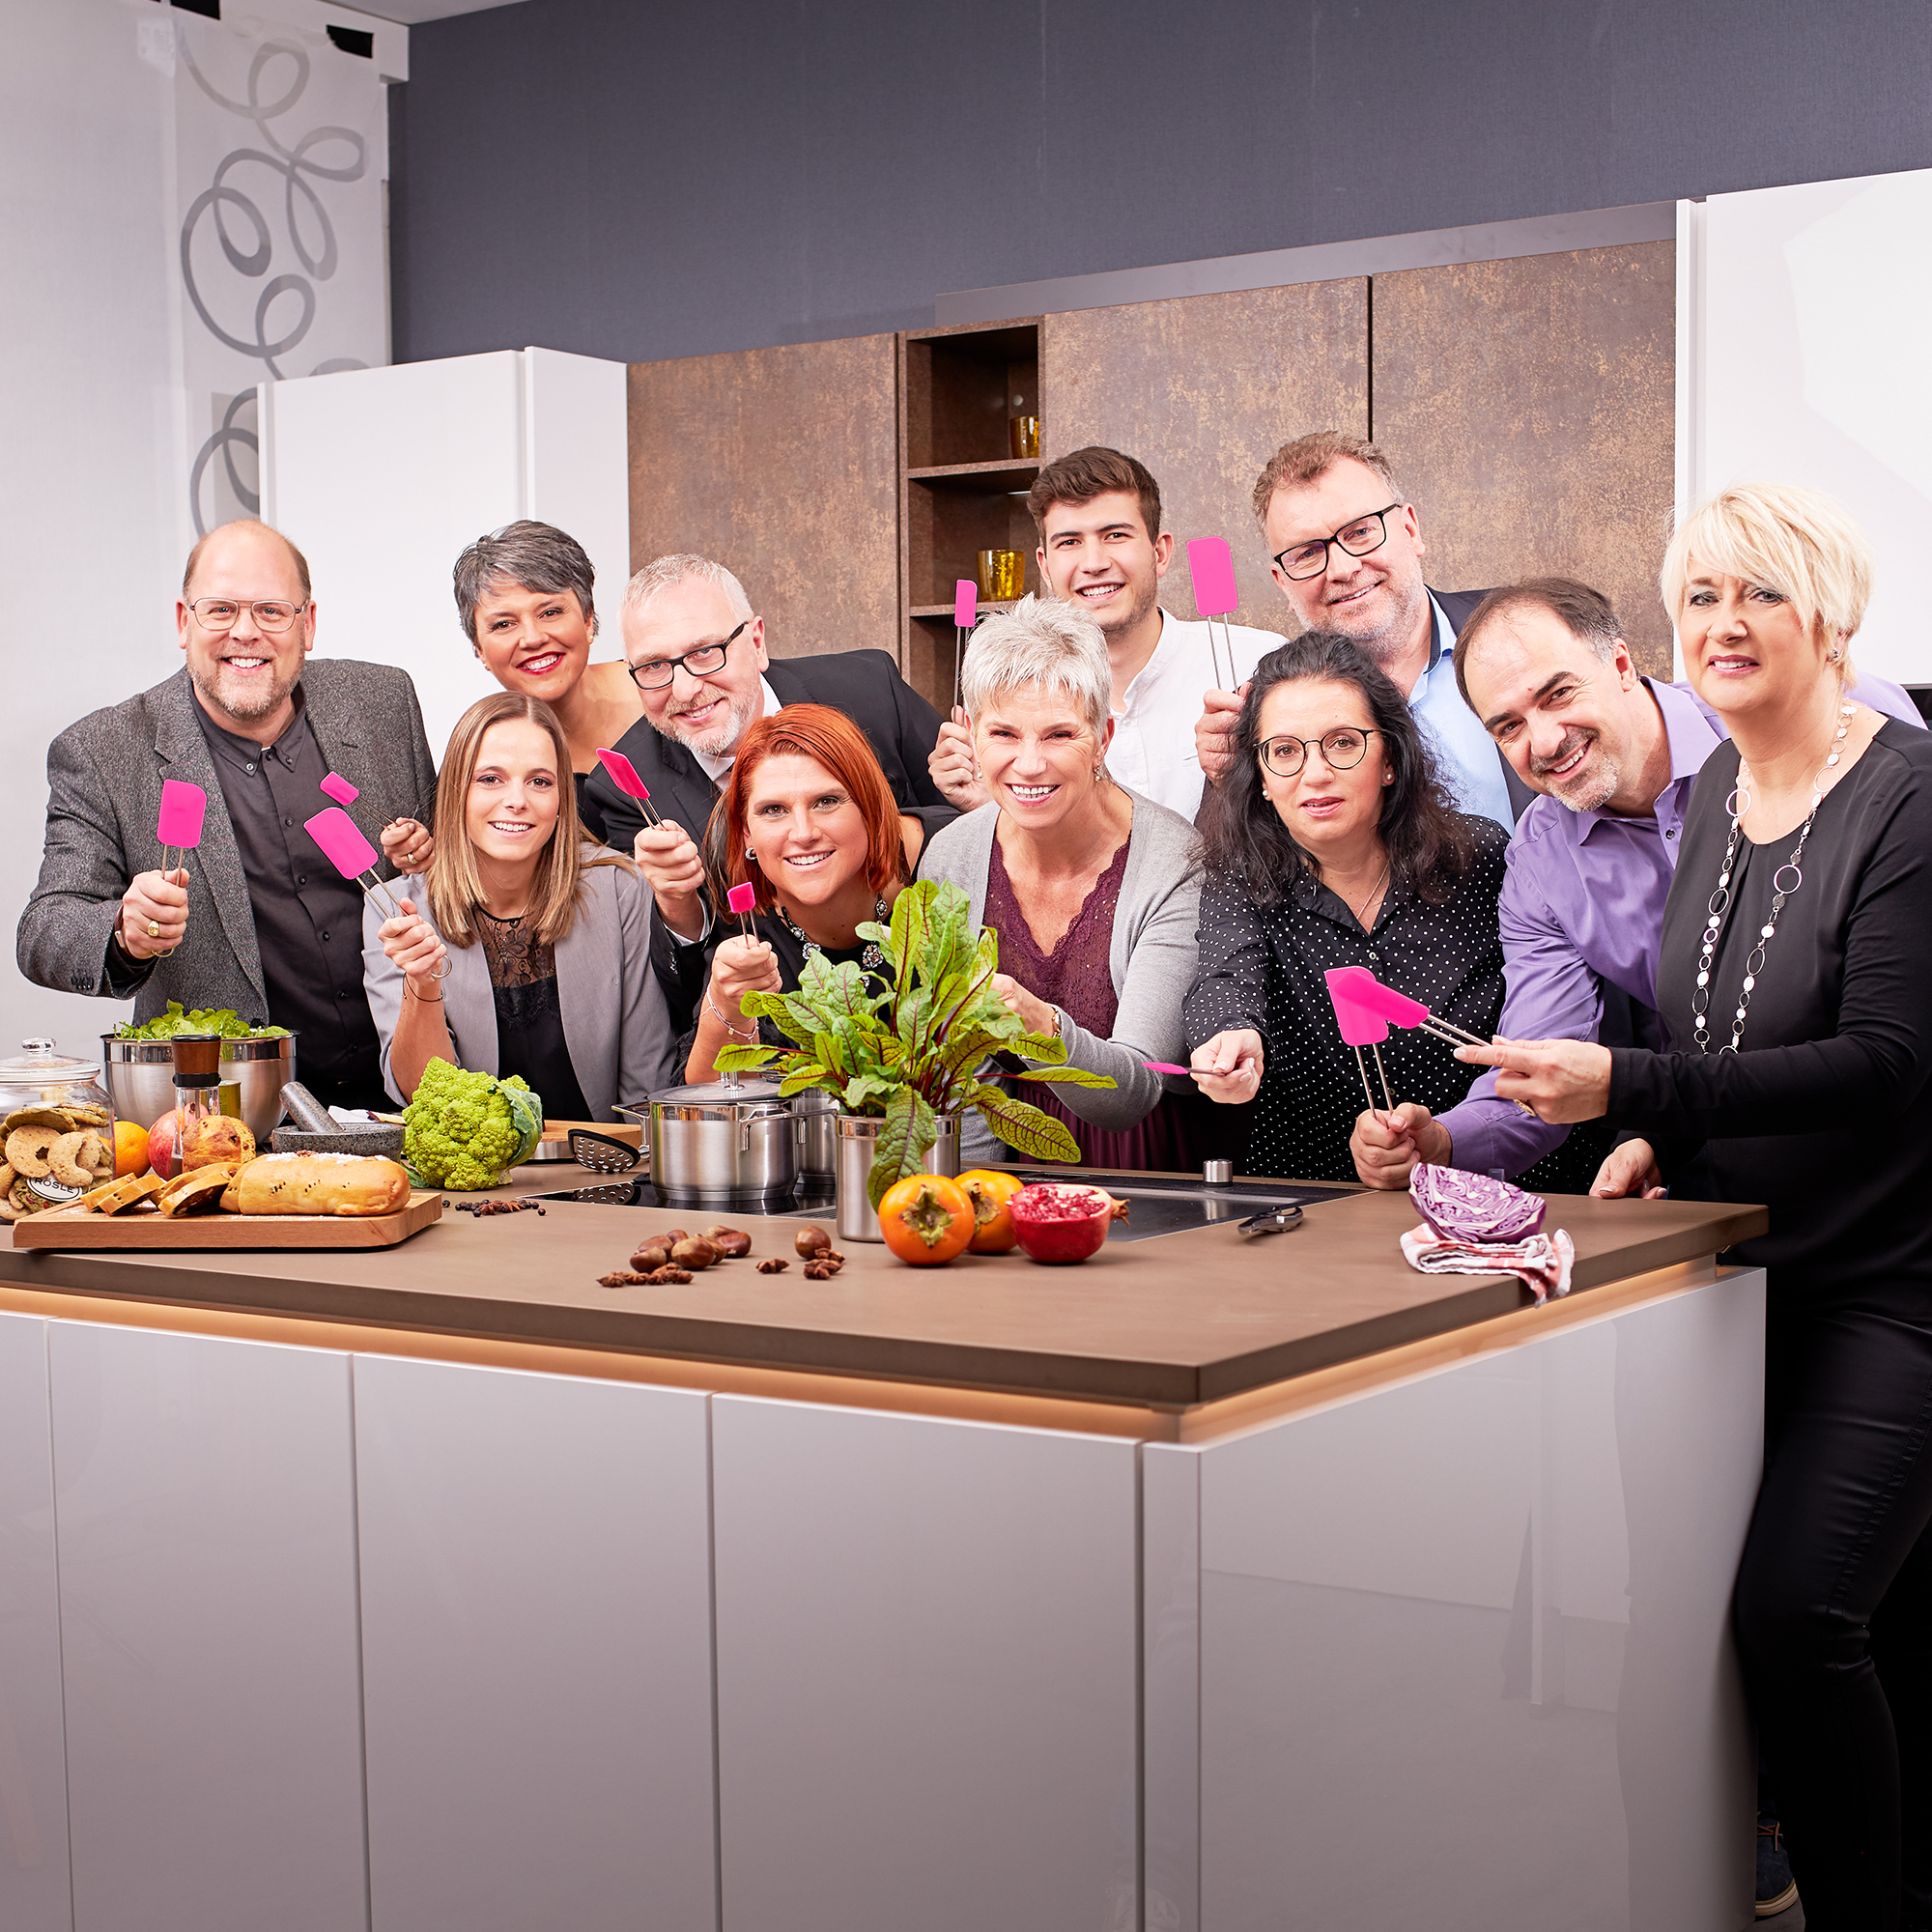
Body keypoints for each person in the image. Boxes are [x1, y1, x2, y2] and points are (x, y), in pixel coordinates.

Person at [1460, 484, 1932, 1931]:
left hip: (1889, 1284)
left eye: (1758, 592)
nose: (1723, 624)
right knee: (1687, 1617)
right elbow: (1716, 1032)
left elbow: (1886, 1060)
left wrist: (1637, 1092)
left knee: (1796, 1609)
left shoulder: (1909, 794)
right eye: (1701, 598)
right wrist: (1658, 1136)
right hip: (1736, 1272)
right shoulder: (1719, 787)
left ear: (1830, 616)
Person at [1351, 577, 1926, 1193]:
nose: (1545, 742)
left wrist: (1634, 1098)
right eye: (1509, 727)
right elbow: (1545, 1059)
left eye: (1559, 694)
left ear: (1622, 665)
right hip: (1739, 1173)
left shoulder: (1842, 714)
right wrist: (1442, 1142)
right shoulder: (1542, 864)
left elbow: (1892, 1032)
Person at [17, 518, 436, 1112]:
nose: (245, 632)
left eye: (271, 611)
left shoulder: (383, 704)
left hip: (407, 1099)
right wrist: (124, 930)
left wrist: (428, 851)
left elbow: (452, 872)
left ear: (307, 624)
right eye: (220, 610)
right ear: (183, 623)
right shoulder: (105, 751)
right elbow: (44, 931)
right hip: (229, 1115)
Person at [1183, 633, 1510, 1184]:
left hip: (1486, 1176)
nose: (1314, 774)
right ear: (1260, 778)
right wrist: (1228, 1036)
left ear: (1390, 759)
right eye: (1284, 751)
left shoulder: (1478, 858)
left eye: (1341, 743)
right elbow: (1224, 977)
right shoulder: (1240, 874)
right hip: (1313, 1192)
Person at [584, 554, 957, 1032]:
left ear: (756, 642)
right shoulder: (625, 789)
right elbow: (678, 996)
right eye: (655, 666)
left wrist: (978, 797)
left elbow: (960, 831)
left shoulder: (869, 691)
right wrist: (677, 905)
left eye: (705, 652)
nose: (685, 688)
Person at [918, 596, 1203, 1166]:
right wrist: (977, 1191)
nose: (1029, 763)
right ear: (970, 734)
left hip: (1142, 1167)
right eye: (1003, 733)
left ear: (1103, 738)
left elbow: (1132, 1093)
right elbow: (959, 1075)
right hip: (1002, 1159)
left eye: (1058, 735)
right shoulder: (950, 857)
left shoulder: (1175, 863)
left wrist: (1039, 1026)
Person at [362, 692, 676, 1118]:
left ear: (562, 798)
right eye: (490, 779)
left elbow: (647, 1079)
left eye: (540, 781)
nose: (517, 800)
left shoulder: (621, 886)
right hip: (473, 1158)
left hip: (606, 1153)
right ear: (456, 791)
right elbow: (422, 1095)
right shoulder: (393, 908)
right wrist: (422, 981)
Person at [926, 447, 1282, 823]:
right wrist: (992, 808)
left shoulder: (1257, 663)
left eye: (1115, 535)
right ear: (1045, 566)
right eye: (1069, 542)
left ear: (1160, 553)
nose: (1094, 563)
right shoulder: (1006, 705)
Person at [1195, 431, 1527, 831]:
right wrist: (1229, 782)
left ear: (1410, 530)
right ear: (1283, 582)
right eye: (1307, 553)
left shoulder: (1523, 629)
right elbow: (1235, 859)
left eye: (1360, 532)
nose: (1343, 569)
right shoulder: (1265, 714)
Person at [683, 704, 918, 1083]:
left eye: (826, 802)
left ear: (870, 808)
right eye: (774, 810)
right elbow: (709, 1102)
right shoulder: (748, 935)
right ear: (747, 833)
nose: (804, 833)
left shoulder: (945, 873)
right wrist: (728, 1005)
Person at [453, 521, 643, 842]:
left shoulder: (670, 692)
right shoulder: (477, 757)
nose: (532, 638)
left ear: (588, 619)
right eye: (503, 624)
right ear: (479, 649)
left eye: (551, 612)